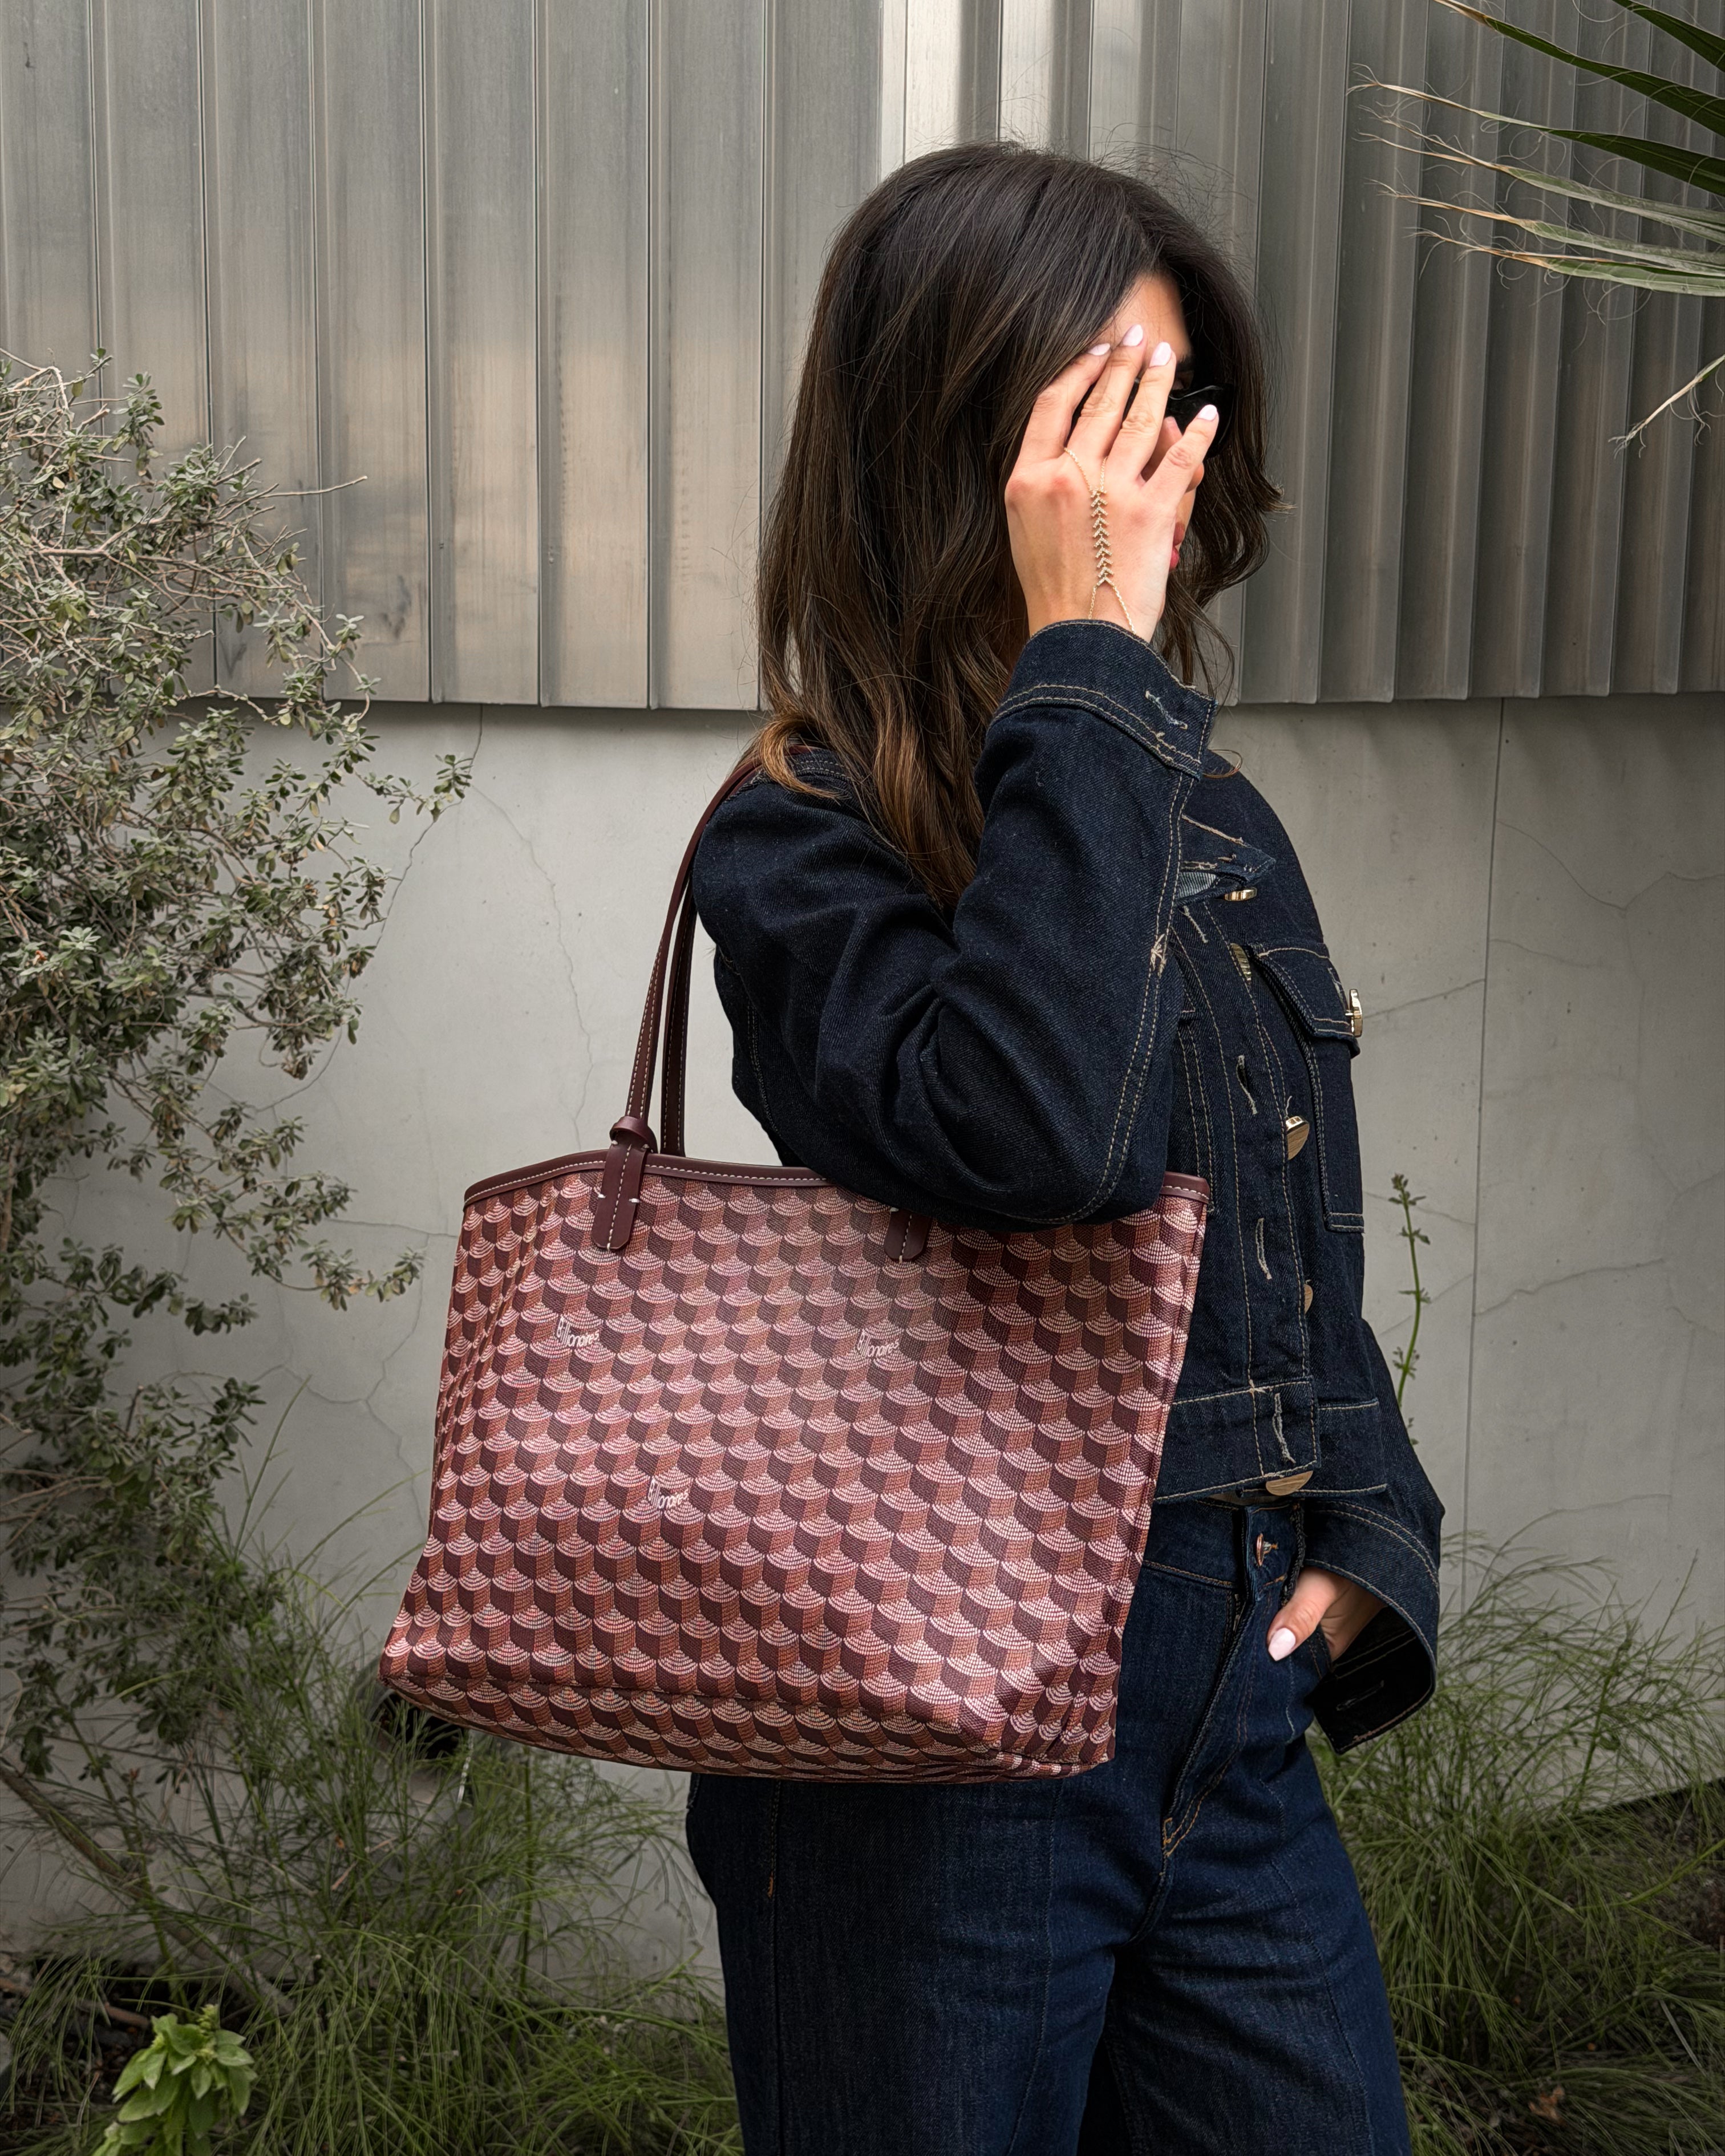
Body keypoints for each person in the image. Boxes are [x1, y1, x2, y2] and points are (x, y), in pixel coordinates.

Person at [686, 142, 1441, 2156]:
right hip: (931, 1751)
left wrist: (1366, 1524)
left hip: (1225, 1706)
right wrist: (1086, 664)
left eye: (1173, 412)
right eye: (1101, 406)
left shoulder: (1213, 823)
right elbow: (1034, 1137)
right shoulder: (800, 834)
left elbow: (1289, 1224)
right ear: (958, 435)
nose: (1155, 468)